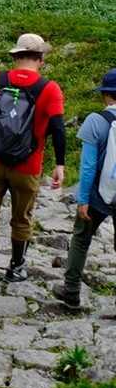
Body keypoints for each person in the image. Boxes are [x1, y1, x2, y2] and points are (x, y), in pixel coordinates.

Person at [0, 33, 65, 286]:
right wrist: (60, 164)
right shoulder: (49, 88)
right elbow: (58, 128)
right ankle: (17, 267)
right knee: (22, 218)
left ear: (16, 56)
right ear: (40, 58)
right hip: (28, 166)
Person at [52, 68, 116, 309]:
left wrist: (83, 200)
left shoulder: (95, 121)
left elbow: (88, 167)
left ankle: (71, 292)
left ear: (105, 94)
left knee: (81, 238)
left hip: (98, 195)